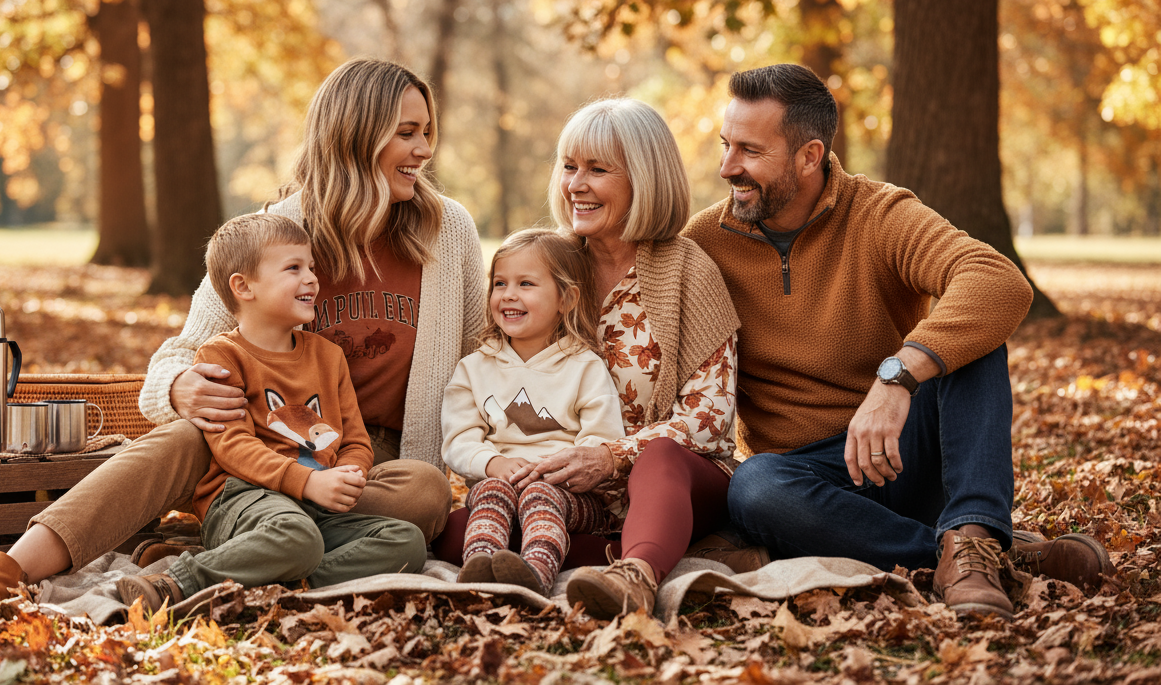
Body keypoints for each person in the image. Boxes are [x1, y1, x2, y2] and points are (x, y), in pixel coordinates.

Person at [0, 58, 484, 634]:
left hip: (361, 465)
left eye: (427, 132)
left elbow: (481, 358)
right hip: (249, 447)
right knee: (181, 436)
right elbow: (177, 354)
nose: (425, 149)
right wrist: (180, 387)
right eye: (406, 133)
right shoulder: (274, 232)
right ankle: (6, 573)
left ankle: (221, 556)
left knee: (423, 493)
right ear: (355, 137)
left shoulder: (448, 231)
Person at [683, 63, 1114, 619]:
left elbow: (997, 280)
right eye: (726, 145)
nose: (727, 167)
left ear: (809, 156)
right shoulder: (706, 241)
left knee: (974, 337)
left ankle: (972, 535)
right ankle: (971, 555)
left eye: (749, 151)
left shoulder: (878, 214)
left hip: (907, 451)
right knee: (754, 487)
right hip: (807, 483)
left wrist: (897, 378)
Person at [433, 98, 745, 619]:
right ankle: (649, 551)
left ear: (644, 179)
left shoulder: (688, 270)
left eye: (597, 170)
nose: (575, 184)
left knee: (659, 456)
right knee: (464, 530)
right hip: (567, 494)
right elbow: (495, 374)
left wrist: (611, 457)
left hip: (668, 479)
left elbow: (709, 420)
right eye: (569, 167)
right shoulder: (546, 263)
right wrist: (506, 467)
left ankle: (636, 574)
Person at [117, 214, 426, 610]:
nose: (312, 278)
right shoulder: (222, 355)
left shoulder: (329, 356)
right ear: (244, 286)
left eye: (311, 267)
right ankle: (175, 582)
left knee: (407, 541)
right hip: (244, 498)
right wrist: (306, 481)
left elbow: (353, 439)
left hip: (315, 507)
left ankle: (277, 580)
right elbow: (233, 446)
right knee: (297, 536)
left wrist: (347, 473)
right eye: (294, 268)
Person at [442, 228, 625, 596]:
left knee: (540, 495)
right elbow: (459, 440)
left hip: (571, 495)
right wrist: (493, 463)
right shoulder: (474, 368)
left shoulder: (583, 366)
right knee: (491, 493)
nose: (509, 294)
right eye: (499, 283)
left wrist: (557, 471)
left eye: (525, 283)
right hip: (501, 488)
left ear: (565, 299)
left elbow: (602, 437)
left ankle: (535, 575)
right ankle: (480, 572)